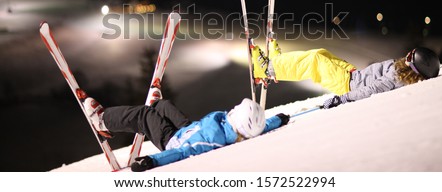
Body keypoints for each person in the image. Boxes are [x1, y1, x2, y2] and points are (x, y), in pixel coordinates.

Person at [81, 93, 290, 172]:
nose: (232, 110)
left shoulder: (211, 143)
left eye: (235, 111)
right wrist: (278, 119)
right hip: (188, 129)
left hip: (173, 142)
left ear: (238, 122)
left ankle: (102, 121)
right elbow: (260, 128)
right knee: (164, 105)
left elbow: (181, 154)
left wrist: (152, 161)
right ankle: (158, 106)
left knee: (145, 115)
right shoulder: (231, 125)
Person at [251, 40, 441, 109]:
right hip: (353, 75)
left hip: (348, 85)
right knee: (321, 52)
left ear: (415, 68)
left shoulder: (396, 77)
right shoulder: (402, 71)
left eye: (410, 57)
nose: (405, 56)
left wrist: (342, 99)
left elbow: (370, 89)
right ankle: (280, 62)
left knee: (314, 61)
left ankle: (268, 70)